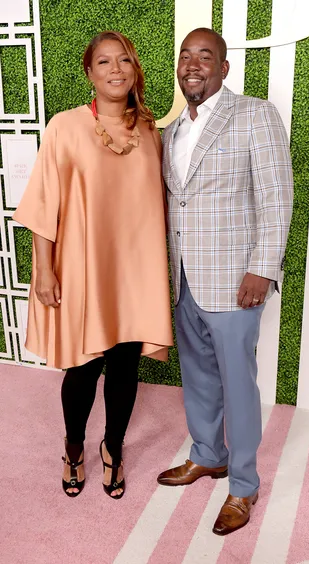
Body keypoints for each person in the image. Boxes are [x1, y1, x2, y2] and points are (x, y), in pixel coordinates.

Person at [13, 30, 173, 499]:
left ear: (135, 68)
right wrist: (43, 269)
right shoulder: (64, 126)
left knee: (125, 366)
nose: (115, 69)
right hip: (83, 270)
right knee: (83, 367)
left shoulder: (149, 131)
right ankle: (74, 447)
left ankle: (114, 449)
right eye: (104, 62)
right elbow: (44, 202)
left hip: (134, 273)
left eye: (124, 60)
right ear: (89, 73)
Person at [157, 28, 293, 535]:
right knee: (198, 377)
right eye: (186, 56)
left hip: (236, 279)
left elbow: (277, 198)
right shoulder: (172, 131)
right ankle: (207, 455)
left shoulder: (255, 114)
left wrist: (263, 267)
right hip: (186, 277)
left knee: (238, 383)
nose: (193, 65)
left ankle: (243, 484)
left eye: (205, 56)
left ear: (224, 68)